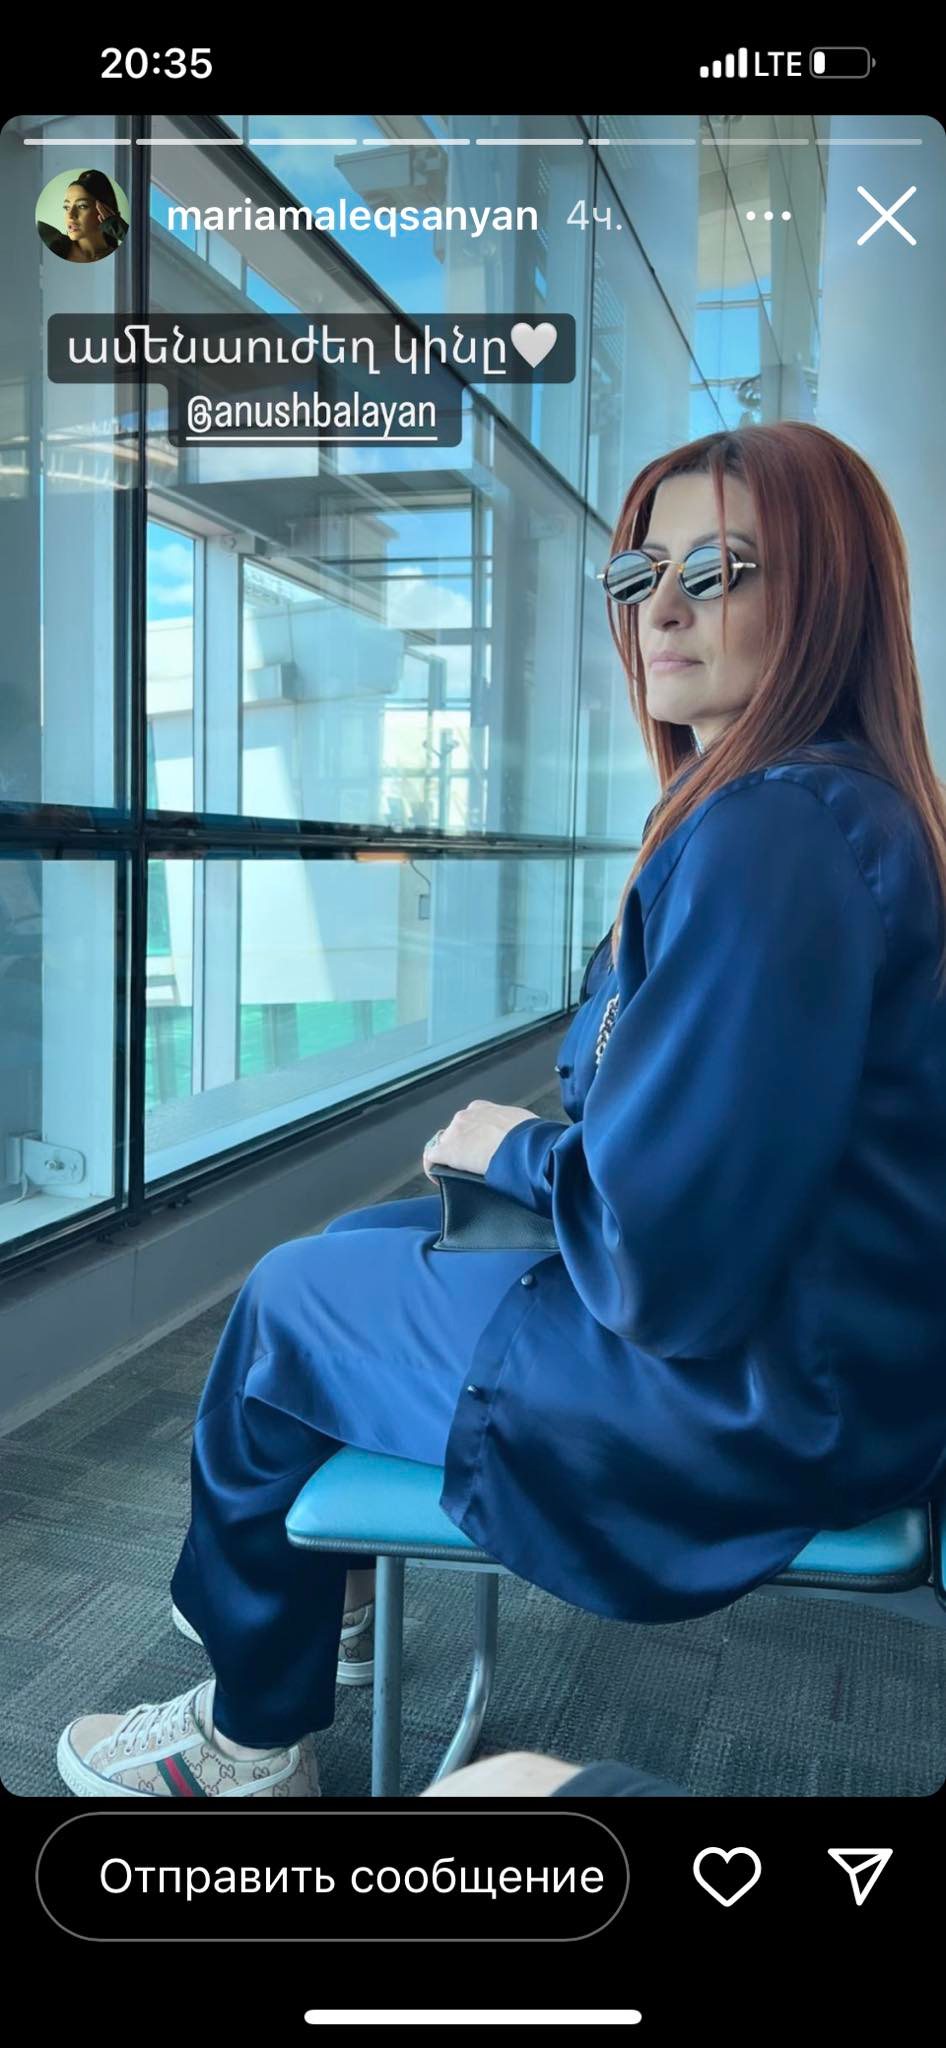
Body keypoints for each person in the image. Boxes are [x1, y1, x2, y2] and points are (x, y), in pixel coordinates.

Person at [55, 421, 946, 1798]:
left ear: (827, 594)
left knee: (286, 1299)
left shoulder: (773, 836)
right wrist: (535, 1158)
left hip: (750, 1397)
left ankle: (247, 1729)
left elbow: (667, 1261)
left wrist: (517, 1148)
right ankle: (318, 1604)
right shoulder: (825, 808)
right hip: (832, 1349)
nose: (658, 610)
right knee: (359, 1246)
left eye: (718, 570)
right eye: (638, 574)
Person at [39, 170, 128, 263]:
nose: (70, 215)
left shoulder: (123, 258)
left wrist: (117, 227)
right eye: (67, 207)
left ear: (105, 210)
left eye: (82, 206)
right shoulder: (53, 244)